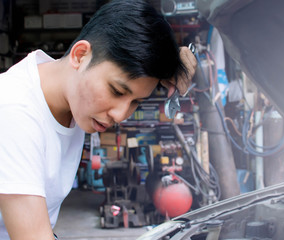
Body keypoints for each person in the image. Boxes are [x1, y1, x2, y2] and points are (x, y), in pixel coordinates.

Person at [0, 0, 196, 239]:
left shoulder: (66, 94)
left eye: (135, 102)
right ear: (80, 55)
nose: (120, 115)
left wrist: (169, 61)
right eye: (116, 91)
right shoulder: (14, 112)